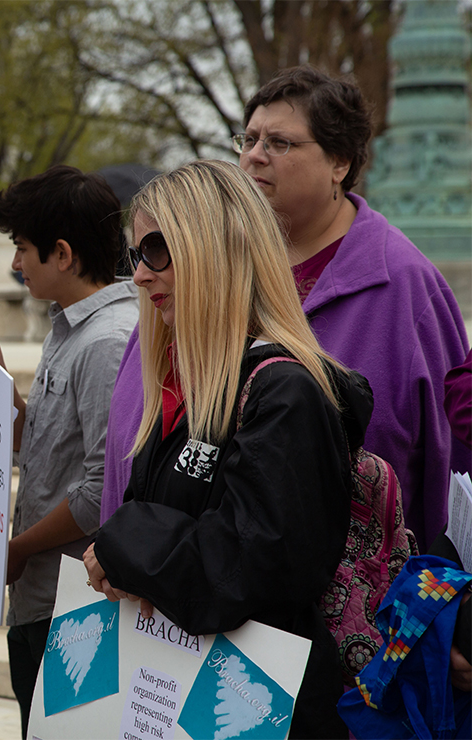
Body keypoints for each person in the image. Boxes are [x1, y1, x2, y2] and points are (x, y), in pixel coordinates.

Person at [100, 66, 469, 549]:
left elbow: (452, 467)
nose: (254, 156)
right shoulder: (191, 277)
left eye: (279, 143)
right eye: (248, 139)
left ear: (340, 162)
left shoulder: (407, 286)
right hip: (152, 603)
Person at [85, 160, 373, 738]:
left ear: (219, 249)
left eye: (157, 250)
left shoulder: (285, 392)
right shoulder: (190, 384)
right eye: (135, 256)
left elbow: (245, 575)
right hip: (177, 694)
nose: (140, 275)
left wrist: (119, 543)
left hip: (258, 706)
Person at [0, 165, 138, 737]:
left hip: (74, 607)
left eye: (23, 248)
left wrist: (18, 549)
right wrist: (4, 399)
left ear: (64, 254)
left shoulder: (107, 340)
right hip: (43, 602)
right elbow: (50, 448)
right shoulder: (68, 327)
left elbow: (103, 490)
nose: (16, 264)